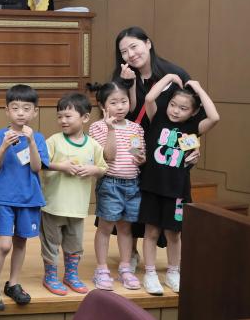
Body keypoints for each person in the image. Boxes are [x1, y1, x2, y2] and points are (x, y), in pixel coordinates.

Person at [111, 26, 201, 268]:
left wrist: (194, 147)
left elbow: (191, 114)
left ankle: (167, 262)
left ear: (148, 43)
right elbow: (124, 111)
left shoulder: (175, 73)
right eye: (124, 51)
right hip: (133, 146)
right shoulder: (121, 77)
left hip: (166, 150)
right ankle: (129, 252)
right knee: (129, 197)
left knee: (162, 206)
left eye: (134, 46)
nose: (130, 54)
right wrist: (127, 83)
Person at [139, 75, 219, 295]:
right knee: (151, 232)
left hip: (177, 190)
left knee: (174, 234)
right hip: (153, 186)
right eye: (173, 105)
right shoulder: (157, 119)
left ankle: (174, 272)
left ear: (193, 112)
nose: (175, 110)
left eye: (183, 108)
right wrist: (170, 77)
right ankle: (150, 273)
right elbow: (149, 97)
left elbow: (214, 117)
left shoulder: (193, 127)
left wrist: (199, 89)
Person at [0, 84, 49, 311]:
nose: (20, 113)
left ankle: (13, 283)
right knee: (4, 245)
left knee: (21, 242)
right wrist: (3, 146)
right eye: (15, 108)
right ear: (6, 111)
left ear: (35, 112)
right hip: (5, 198)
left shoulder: (38, 138)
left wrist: (30, 142)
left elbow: (36, 167)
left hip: (29, 198)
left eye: (26, 108)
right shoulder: (0, 136)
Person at [40, 93, 108, 296]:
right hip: (53, 204)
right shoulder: (53, 141)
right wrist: (61, 167)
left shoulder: (93, 145)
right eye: (60, 116)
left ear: (85, 118)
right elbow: (40, 164)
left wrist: (92, 170)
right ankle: (50, 276)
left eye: (68, 116)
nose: (63, 120)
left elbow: (103, 168)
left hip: (78, 207)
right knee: (51, 243)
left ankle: (71, 275)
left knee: (74, 243)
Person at [89, 81, 146, 291]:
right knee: (105, 227)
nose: (120, 106)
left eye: (124, 101)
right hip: (110, 183)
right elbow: (108, 156)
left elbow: (140, 157)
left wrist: (141, 158)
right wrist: (111, 129)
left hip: (133, 184)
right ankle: (102, 269)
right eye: (114, 102)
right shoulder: (98, 127)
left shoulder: (136, 128)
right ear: (103, 106)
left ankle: (125, 269)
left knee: (125, 227)